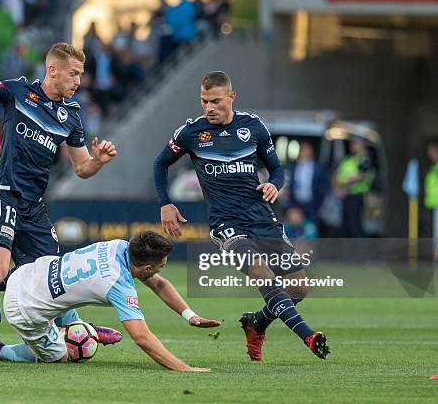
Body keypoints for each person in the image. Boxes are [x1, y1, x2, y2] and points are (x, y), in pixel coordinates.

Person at [0, 8, 119, 361]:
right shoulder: (18, 93)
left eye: (81, 74)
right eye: (74, 74)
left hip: (33, 206)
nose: (78, 81)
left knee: (51, 282)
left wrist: (99, 161)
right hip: (4, 194)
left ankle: (75, 329)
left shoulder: (72, 115)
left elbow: (81, 169)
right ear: (52, 70)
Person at [153, 71, 330, 361]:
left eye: (216, 101)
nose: (209, 108)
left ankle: (256, 322)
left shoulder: (253, 127)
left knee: (299, 284)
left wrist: (275, 183)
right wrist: (165, 203)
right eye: (204, 101)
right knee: (261, 269)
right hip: (227, 225)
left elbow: (277, 168)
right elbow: (160, 164)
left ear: (231, 98)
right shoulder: (191, 132)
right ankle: (308, 336)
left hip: (262, 218)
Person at [0, 231, 220, 370]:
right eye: (160, 266)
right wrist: (183, 368)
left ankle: (84, 329)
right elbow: (142, 338)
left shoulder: (120, 246)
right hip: (25, 308)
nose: (161, 271)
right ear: (147, 267)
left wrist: (190, 316)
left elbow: (158, 283)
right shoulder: (118, 284)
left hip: (28, 273)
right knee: (62, 356)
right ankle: (2, 350)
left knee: (68, 303)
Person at [335, 139, 374, 238]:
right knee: (346, 226)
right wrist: (339, 186)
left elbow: (359, 177)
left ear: (362, 146)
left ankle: (361, 250)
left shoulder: (364, 160)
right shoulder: (349, 159)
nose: (352, 146)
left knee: (355, 225)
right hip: (346, 195)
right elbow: (338, 174)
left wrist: (343, 184)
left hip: (356, 195)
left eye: (355, 143)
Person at [288, 141, 329, 225]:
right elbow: (291, 184)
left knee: (312, 226)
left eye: (307, 149)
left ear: (312, 151)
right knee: (298, 226)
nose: (305, 152)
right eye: (303, 150)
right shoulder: (295, 166)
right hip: (297, 202)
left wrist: (322, 199)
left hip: (313, 203)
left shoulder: (318, 167)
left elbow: (324, 184)